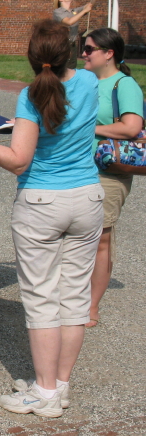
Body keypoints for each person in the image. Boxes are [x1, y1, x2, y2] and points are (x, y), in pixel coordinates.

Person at [0, 19, 103, 418]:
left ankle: (44, 393)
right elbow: (61, 120)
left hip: (43, 203)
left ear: (30, 57)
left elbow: (18, 161)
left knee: (42, 300)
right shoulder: (88, 83)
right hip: (87, 197)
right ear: (69, 53)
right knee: (75, 297)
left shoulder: (31, 97)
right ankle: (59, 386)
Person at [81, 28, 143, 328]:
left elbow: (132, 127)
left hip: (108, 172)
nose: (83, 53)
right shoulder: (83, 82)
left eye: (90, 49)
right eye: (83, 47)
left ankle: (91, 307)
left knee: (101, 240)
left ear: (109, 54)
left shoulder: (124, 84)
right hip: (77, 170)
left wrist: (88, 129)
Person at [52, 0, 100, 68]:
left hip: (72, 44)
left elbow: (90, 5)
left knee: (72, 67)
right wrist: (84, 11)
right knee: (62, 68)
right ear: (60, 0)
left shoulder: (74, 11)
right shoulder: (58, 12)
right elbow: (69, 22)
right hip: (61, 45)